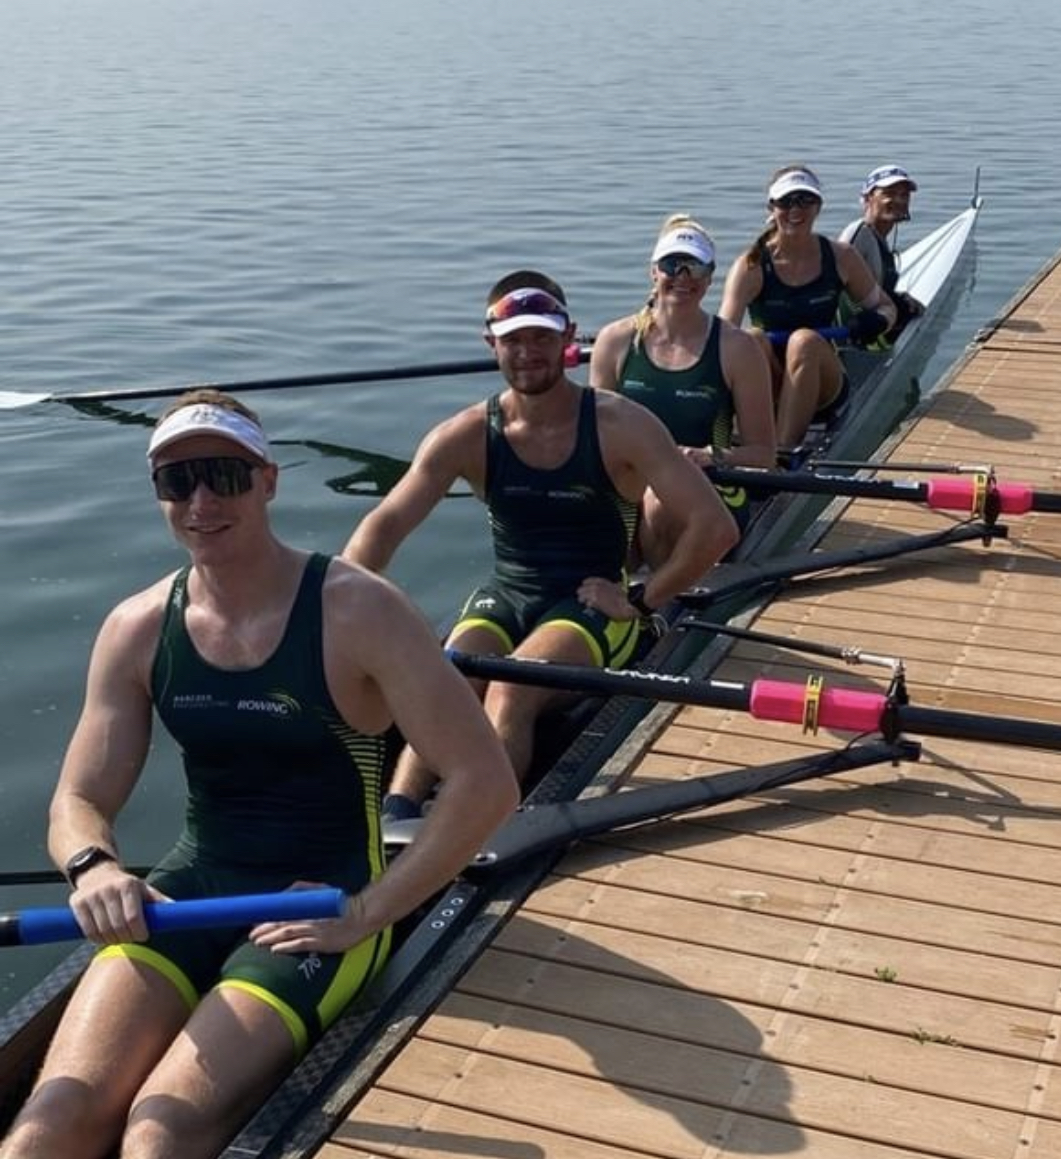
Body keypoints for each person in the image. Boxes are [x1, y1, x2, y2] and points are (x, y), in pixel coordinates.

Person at [0, 390, 518, 1159]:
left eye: (224, 475)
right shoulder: (138, 626)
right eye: (178, 482)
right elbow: (78, 797)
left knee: (159, 1131)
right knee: (47, 1128)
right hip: (187, 893)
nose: (202, 500)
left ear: (268, 480)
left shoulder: (358, 609)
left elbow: (485, 783)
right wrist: (92, 864)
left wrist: (371, 910)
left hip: (324, 900)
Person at [344, 270, 738, 813]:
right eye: (513, 340)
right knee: (449, 681)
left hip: (590, 600)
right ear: (492, 344)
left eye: (542, 337)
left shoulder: (621, 424)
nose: (527, 352)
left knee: (510, 689)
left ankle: (475, 834)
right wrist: (341, 612)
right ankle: (397, 817)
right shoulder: (463, 434)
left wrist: (643, 600)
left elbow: (715, 527)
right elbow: (383, 528)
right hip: (507, 592)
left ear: (568, 339)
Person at [589, 214, 775, 566]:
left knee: (662, 503)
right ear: (654, 272)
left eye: (694, 267)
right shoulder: (615, 341)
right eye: (672, 265)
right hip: (633, 481)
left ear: (709, 278)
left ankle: (660, 607)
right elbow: (593, 440)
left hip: (711, 484)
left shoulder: (737, 348)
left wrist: (711, 455)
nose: (682, 277)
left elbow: (764, 455)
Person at [719, 164, 898, 462]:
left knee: (804, 341)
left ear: (818, 207)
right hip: (771, 380)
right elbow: (723, 338)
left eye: (805, 200)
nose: (796, 210)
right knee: (750, 339)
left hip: (824, 385)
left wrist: (876, 321)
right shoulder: (751, 265)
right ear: (772, 208)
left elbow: (886, 307)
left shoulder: (841, 257)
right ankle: (752, 441)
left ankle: (781, 457)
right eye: (787, 201)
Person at [839, 164, 925, 340]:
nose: (899, 200)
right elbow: (838, 293)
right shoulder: (859, 235)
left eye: (904, 195)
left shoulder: (878, 236)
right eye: (889, 194)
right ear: (869, 197)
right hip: (853, 337)